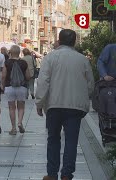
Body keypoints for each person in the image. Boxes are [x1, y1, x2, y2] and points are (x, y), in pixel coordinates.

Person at [36, 29, 94, 180]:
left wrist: (40, 102)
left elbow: (43, 82)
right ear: (74, 42)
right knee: (71, 141)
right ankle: (67, 174)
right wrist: (84, 97)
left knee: (53, 138)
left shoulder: (49, 58)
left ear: (59, 41)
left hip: (54, 106)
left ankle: (51, 174)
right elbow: (90, 85)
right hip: (75, 107)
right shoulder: (83, 60)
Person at [2, 45, 30, 135]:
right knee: (21, 107)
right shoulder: (24, 63)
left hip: (9, 87)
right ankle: (20, 122)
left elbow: (3, 76)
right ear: (19, 53)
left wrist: (2, 85)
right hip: (22, 87)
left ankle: (13, 128)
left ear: (10, 52)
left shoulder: (7, 62)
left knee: (11, 108)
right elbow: (28, 77)